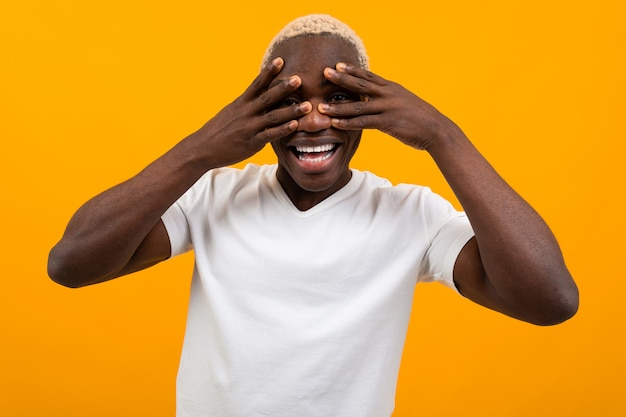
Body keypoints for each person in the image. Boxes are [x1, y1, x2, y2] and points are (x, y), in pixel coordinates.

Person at [48, 14, 578, 417]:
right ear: (258, 109)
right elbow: (71, 264)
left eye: (341, 98)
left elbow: (551, 300)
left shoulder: (411, 215)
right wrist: (201, 150)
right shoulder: (212, 195)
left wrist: (442, 135)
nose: (316, 119)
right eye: (292, 100)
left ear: (373, 108)